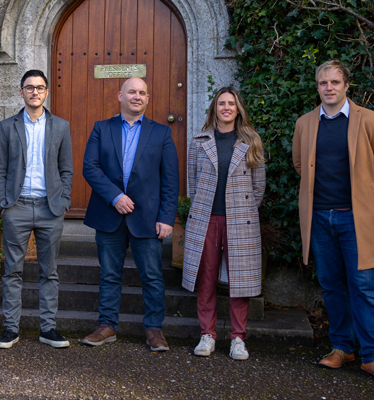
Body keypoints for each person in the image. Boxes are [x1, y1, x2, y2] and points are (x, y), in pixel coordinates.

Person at [293, 60, 374, 383]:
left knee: (364, 287)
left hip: (357, 219)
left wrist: (363, 193)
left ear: (346, 85)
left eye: (335, 82)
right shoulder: (305, 123)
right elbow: (301, 165)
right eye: (323, 83)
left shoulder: (371, 121)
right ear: (317, 87)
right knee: (332, 285)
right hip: (320, 219)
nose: (329, 88)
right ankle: (342, 347)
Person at [81, 77, 178, 352]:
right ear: (119, 96)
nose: (137, 96)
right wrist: (115, 196)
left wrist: (167, 218)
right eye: (132, 91)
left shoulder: (161, 133)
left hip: (148, 218)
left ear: (147, 99)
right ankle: (107, 326)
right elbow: (91, 168)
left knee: (152, 276)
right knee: (109, 274)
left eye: (142, 93)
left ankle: (154, 329)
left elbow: (170, 180)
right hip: (108, 214)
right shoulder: (102, 128)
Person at [182, 87, 265, 360]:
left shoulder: (251, 140)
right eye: (221, 104)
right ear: (214, 108)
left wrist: (243, 210)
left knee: (239, 280)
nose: (226, 108)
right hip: (207, 219)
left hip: (240, 220)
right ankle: (207, 335)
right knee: (206, 277)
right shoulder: (199, 141)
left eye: (231, 104)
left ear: (238, 108)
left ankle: (238, 338)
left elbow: (258, 187)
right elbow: (193, 184)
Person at [0, 69, 73, 349]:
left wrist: (63, 202)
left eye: (39, 87)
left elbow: (67, 169)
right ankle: (10, 329)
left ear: (46, 92)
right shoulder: (7, 126)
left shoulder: (61, 126)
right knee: (12, 270)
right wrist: (3, 203)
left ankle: (48, 328)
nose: (34, 92)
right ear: (21, 92)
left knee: (49, 271)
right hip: (18, 206)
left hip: (51, 209)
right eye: (29, 87)